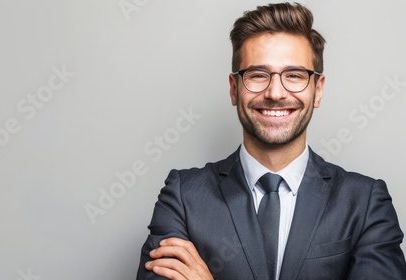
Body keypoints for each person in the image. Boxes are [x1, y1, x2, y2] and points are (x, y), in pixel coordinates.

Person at [136, 2, 406, 280]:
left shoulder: (365, 202)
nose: (275, 92)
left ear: (318, 90)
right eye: (257, 75)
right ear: (233, 88)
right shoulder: (183, 197)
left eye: (294, 75)